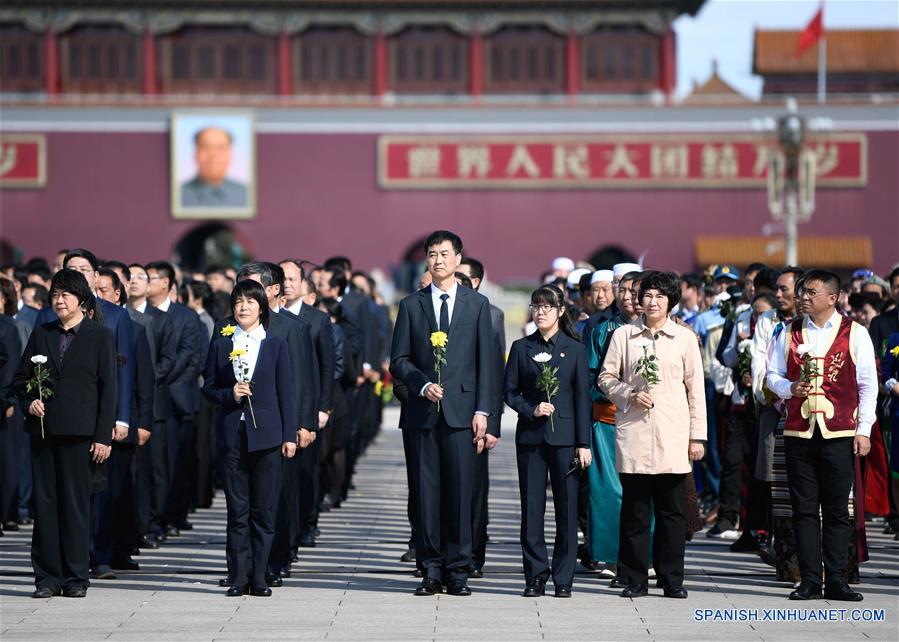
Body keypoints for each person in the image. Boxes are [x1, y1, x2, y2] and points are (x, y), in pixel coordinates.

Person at [389, 230, 495, 597]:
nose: (437, 260)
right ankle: (430, 569)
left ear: (457, 259)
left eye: (444, 254)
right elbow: (398, 360)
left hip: (463, 414)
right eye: (431, 254)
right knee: (427, 494)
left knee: (460, 493)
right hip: (423, 414)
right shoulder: (410, 305)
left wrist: (485, 412)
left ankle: (458, 570)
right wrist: (421, 384)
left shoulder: (476, 305)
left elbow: (488, 364)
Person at [766, 269, 876, 602]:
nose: (803, 297)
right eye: (803, 292)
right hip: (799, 431)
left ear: (832, 297)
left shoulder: (855, 333)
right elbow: (771, 375)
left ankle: (838, 579)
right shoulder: (787, 333)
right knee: (804, 508)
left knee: (838, 509)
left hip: (840, 431)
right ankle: (810, 579)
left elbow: (867, 385)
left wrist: (865, 430)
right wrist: (788, 388)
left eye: (811, 292)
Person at [599, 270, 706, 599]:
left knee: (673, 513)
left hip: (673, 435)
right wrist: (628, 393)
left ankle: (672, 578)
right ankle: (634, 579)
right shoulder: (624, 336)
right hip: (634, 433)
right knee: (635, 512)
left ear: (671, 301)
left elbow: (695, 390)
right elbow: (605, 377)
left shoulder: (684, 338)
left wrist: (697, 437)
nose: (652, 301)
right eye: (647, 295)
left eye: (660, 296)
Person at [15, 269, 116, 598]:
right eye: (55, 295)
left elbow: (108, 390)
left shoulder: (99, 337)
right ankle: (46, 577)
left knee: (75, 505)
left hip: (81, 435)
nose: (59, 300)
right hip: (44, 432)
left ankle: (75, 577)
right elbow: (21, 378)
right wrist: (30, 401)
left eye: (66, 295)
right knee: (45, 505)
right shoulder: (42, 333)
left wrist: (103, 436)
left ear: (82, 301)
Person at [203, 279, 297, 597]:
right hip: (233, 433)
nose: (243, 306)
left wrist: (289, 436)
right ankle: (239, 577)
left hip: (268, 436)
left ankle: (260, 576)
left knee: (264, 509)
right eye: (238, 301)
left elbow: (287, 393)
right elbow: (208, 388)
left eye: (250, 302)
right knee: (237, 510)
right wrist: (230, 394)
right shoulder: (221, 342)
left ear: (262, 307)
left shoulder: (275, 344)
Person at [504, 284, 591, 598]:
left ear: (561, 311)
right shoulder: (520, 348)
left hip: (566, 439)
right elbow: (509, 392)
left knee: (567, 511)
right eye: (536, 306)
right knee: (531, 509)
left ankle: (564, 577)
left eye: (547, 307)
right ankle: (535, 575)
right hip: (531, 438)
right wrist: (531, 408)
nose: (541, 312)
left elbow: (583, 400)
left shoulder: (575, 349)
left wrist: (584, 443)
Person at [585, 269, 641, 578]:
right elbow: (591, 378)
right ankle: (608, 554)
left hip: (647, 422)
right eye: (623, 289)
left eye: (636, 291)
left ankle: (644, 555)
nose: (628, 296)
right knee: (607, 489)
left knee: (644, 489)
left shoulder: (662, 332)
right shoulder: (602, 330)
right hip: (607, 419)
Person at [181, 126, 248, 209]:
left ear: (230, 154)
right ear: (195, 153)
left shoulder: (246, 194)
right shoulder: (179, 194)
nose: (213, 155)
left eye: (220, 148)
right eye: (205, 147)